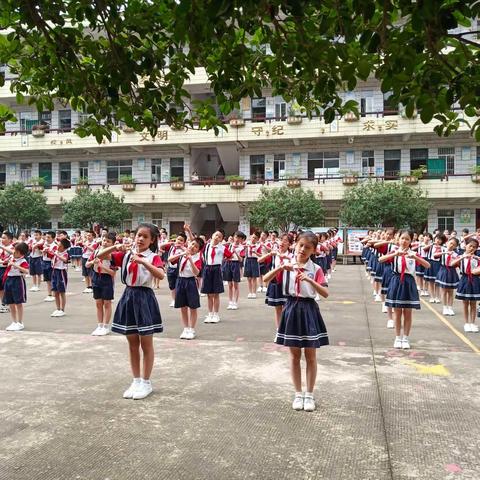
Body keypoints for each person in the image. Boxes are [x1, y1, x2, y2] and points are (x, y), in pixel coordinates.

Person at [97, 223, 165, 400]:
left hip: (144, 298)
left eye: (145, 236)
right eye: (138, 235)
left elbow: (160, 275)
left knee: (146, 343)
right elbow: (99, 256)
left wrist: (143, 261)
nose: (140, 239)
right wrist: (114, 246)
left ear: (152, 240)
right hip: (129, 296)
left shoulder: (152, 257)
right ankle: (136, 380)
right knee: (132, 342)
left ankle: (146, 382)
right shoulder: (126, 255)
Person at [265, 231, 329, 412]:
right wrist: (280, 268)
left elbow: (325, 293)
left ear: (313, 251)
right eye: (301, 245)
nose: (302, 250)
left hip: (309, 309)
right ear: (295, 245)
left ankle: (309, 395)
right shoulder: (286, 265)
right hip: (291, 307)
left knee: (310, 355)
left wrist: (309, 279)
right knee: (294, 356)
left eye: (308, 248)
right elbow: (265, 279)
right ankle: (297, 393)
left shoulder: (315, 269)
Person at [380, 229, 430, 349]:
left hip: (409, 282)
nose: (404, 241)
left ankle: (405, 338)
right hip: (396, 281)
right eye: (402, 238)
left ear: (411, 240)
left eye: (407, 239)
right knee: (397, 312)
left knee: (408, 312)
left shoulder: (413, 253)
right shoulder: (394, 252)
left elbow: (428, 265)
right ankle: (397, 337)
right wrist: (394, 254)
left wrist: (416, 257)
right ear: (398, 239)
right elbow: (380, 260)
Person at [170, 237, 204, 340]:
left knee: (192, 307)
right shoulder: (182, 254)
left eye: (196, 246)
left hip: (190, 282)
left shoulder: (198, 258)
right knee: (183, 307)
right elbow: (170, 260)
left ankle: (192, 329)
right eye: (192, 244)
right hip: (180, 281)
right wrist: (182, 254)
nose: (193, 247)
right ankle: (185, 328)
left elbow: (197, 273)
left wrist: (190, 259)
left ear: (198, 250)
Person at [87, 232, 118, 336]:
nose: (105, 242)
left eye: (108, 241)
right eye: (104, 240)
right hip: (96, 277)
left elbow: (113, 273)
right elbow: (87, 264)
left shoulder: (113, 256)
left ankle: (106, 326)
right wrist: (92, 263)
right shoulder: (96, 252)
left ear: (113, 244)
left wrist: (102, 266)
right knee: (98, 303)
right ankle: (99, 325)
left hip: (106, 279)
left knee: (107, 303)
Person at [260, 233, 294, 329]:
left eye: (285, 240)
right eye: (281, 240)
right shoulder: (275, 254)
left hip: (287, 284)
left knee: (287, 308)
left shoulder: (292, 256)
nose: (282, 242)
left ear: (289, 244)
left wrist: (285, 257)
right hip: (276, 283)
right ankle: (279, 330)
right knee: (278, 308)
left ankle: (286, 330)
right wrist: (270, 253)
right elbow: (259, 260)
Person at [201, 229, 232, 323]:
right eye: (216, 235)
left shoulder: (222, 248)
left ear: (221, 239)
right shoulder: (206, 246)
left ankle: (216, 314)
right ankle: (210, 314)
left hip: (217, 269)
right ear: (212, 235)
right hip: (207, 268)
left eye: (220, 236)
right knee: (209, 294)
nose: (217, 237)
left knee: (216, 293)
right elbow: (195, 243)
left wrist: (223, 260)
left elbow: (230, 255)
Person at [451, 238, 480, 333]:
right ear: (465, 246)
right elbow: (452, 264)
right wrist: (463, 257)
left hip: (475, 280)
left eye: (474, 247)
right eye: (470, 246)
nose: (472, 248)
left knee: (473, 303)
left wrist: (476, 258)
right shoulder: (460, 256)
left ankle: (472, 323)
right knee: (465, 303)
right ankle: (466, 323)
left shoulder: (477, 258)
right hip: (464, 279)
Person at [2, 242, 29, 331]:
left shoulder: (23, 261)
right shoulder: (11, 257)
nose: (14, 252)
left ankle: (20, 322)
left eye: (16, 251)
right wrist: (5, 262)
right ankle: (14, 321)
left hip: (17, 281)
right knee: (11, 303)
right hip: (8, 279)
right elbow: (4, 262)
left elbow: (26, 271)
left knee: (18, 303)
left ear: (21, 253)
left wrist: (14, 265)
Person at [434, 237, 459, 316]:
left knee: (451, 291)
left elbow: (457, 264)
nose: (451, 245)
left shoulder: (456, 254)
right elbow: (435, 255)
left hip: (451, 271)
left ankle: (450, 307)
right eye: (450, 243)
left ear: (455, 247)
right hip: (443, 270)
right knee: (444, 291)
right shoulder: (442, 250)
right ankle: (445, 307)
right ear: (447, 242)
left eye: (454, 245)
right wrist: (445, 253)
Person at [224, 231, 246, 310]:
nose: (237, 239)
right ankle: (230, 302)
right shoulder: (229, 245)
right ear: (233, 237)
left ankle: (235, 302)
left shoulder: (242, 247)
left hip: (236, 264)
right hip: (228, 264)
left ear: (241, 239)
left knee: (236, 285)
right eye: (236, 237)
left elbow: (241, 260)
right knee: (230, 285)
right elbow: (225, 257)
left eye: (239, 238)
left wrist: (236, 252)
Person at [49, 238, 71, 317]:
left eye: (60, 246)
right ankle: (58, 308)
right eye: (58, 245)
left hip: (61, 272)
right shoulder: (56, 251)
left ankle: (62, 309)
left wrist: (56, 254)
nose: (58, 247)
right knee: (55, 291)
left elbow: (65, 260)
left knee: (62, 291)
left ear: (64, 247)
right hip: (55, 271)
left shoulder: (65, 253)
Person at [244, 231, 262, 299]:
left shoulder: (258, 245)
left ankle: (254, 292)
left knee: (254, 277)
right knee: (248, 278)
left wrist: (255, 252)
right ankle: (250, 292)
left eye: (255, 238)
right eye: (253, 237)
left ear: (257, 239)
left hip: (254, 260)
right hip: (248, 260)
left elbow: (261, 255)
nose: (253, 239)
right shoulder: (247, 244)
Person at [0, 231, 14, 313]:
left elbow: (13, 253)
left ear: (10, 239)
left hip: (7, 270)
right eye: (2, 237)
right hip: (0, 268)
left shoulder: (12, 247)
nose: (2, 239)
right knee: (0, 288)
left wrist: (2, 248)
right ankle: (3, 304)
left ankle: (7, 304)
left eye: (4, 238)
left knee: (6, 288)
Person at [42, 231, 57, 302]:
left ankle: (54, 294)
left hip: (51, 263)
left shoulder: (55, 245)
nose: (47, 239)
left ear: (53, 238)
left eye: (49, 237)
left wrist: (47, 250)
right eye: (46, 237)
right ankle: (49, 294)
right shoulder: (45, 244)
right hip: (44, 262)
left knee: (52, 279)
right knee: (47, 280)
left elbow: (53, 255)